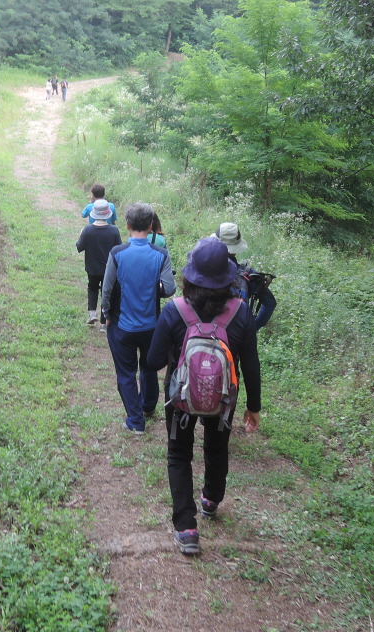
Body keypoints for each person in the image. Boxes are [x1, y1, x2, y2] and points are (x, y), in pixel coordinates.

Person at [146, 237, 261, 555]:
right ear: (229, 277)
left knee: (179, 454)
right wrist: (254, 407)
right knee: (217, 445)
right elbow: (251, 366)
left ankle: (186, 528)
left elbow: (153, 362)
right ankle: (210, 499)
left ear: (190, 275)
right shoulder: (241, 313)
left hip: (181, 399)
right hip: (223, 400)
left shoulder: (175, 310)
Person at [101, 203, 176, 434]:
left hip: (122, 325)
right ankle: (148, 406)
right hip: (151, 325)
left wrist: (106, 314)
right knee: (148, 366)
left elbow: (107, 289)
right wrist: (154, 289)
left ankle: (135, 420)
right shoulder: (161, 254)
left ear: (127, 225)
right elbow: (170, 288)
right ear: (151, 225)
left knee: (126, 372)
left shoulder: (117, 253)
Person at [213, 222, 277, 330]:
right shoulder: (248, 274)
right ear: (236, 247)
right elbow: (270, 303)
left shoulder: (205, 269)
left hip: (206, 332)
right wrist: (253, 328)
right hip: (238, 333)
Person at [76, 200, 122, 326]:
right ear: (108, 214)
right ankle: (103, 323)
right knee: (106, 292)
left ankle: (92, 313)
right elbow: (119, 250)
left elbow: (79, 247)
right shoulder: (114, 230)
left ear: (93, 213)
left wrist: (81, 235)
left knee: (92, 287)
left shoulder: (88, 230)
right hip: (109, 268)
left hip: (92, 267)